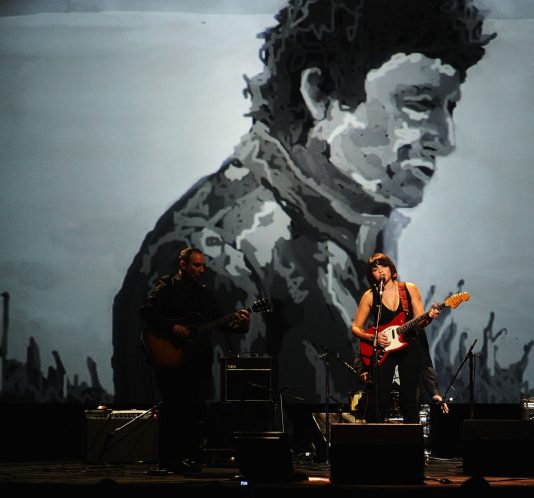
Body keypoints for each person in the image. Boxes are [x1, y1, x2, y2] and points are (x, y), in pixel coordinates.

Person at [113, 0, 495, 404]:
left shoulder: (356, 224)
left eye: (450, 107)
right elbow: (210, 431)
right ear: (318, 94)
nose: (446, 139)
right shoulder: (222, 249)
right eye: (419, 104)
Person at [139, 247, 250, 473]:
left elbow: (220, 321)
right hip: (170, 356)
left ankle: (187, 457)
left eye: (203, 266)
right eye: (196, 265)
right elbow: (146, 311)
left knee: (193, 409)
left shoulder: (205, 294)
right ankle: (169, 459)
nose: (201, 270)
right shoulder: (167, 286)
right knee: (174, 407)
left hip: (196, 360)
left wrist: (243, 324)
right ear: (183, 265)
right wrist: (173, 327)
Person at [351, 253, 440, 423]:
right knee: (380, 395)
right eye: (375, 269)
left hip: (409, 345)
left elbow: (420, 321)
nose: (380, 271)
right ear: (372, 275)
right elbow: (356, 327)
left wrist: (429, 317)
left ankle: (411, 435)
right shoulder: (370, 296)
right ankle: (378, 433)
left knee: (410, 396)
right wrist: (373, 338)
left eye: (383, 266)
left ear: (391, 269)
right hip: (383, 349)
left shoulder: (409, 289)